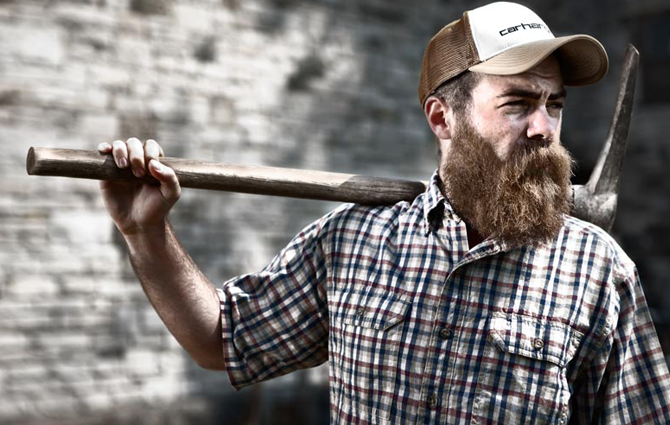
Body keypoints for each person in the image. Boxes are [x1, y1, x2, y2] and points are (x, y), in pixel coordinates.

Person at [97, 2, 670, 423]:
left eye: (554, 104)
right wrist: (145, 231)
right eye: (518, 103)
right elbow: (221, 340)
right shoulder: (352, 242)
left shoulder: (599, 272)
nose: (544, 128)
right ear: (443, 119)